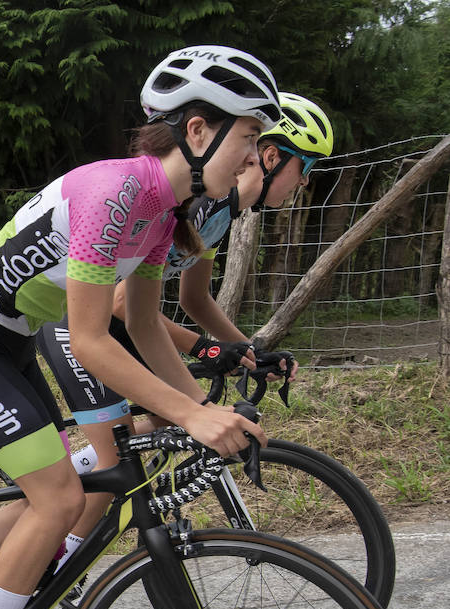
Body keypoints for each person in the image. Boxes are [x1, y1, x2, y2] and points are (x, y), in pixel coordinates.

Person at [0, 46, 277, 609]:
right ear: (198, 131)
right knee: (58, 497)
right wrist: (194, 415)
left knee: (57, 489)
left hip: (12, 346)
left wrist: (201, 408)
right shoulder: (118, 194)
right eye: (249, 140)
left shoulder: (163, 216)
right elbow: (88, 338)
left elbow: (141, 329)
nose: (254, 160)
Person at [37, 91, 334, 479]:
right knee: (122, 462)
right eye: (306, 165)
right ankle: (59, 493)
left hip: (125, 329)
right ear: (274, 157)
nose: (306, 180)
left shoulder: (223, 212)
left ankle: (75, 486)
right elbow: (123, 303)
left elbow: (196, 299)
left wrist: (250, 351)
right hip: (78, 325)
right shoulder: (198, 204)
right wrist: (208, 350)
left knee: (168, 420)